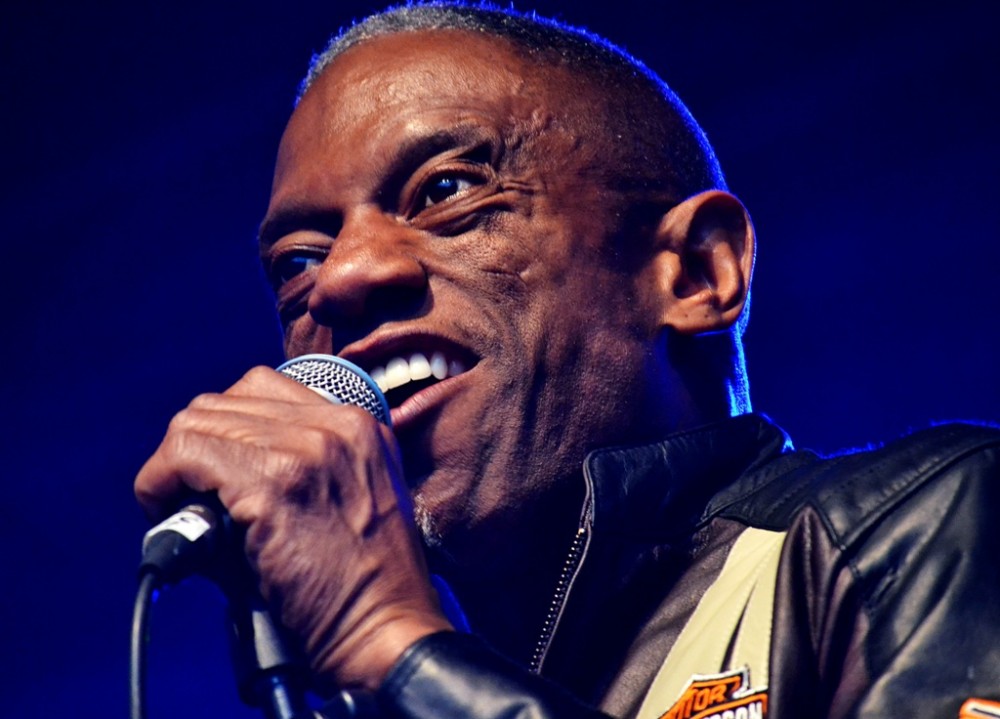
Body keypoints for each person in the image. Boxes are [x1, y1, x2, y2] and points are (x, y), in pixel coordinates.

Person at [134, 4, 1000, 717]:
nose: (342, 278)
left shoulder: (929, 521)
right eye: (297, 262)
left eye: (446, 190)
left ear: (697, 273)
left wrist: (395, 642)